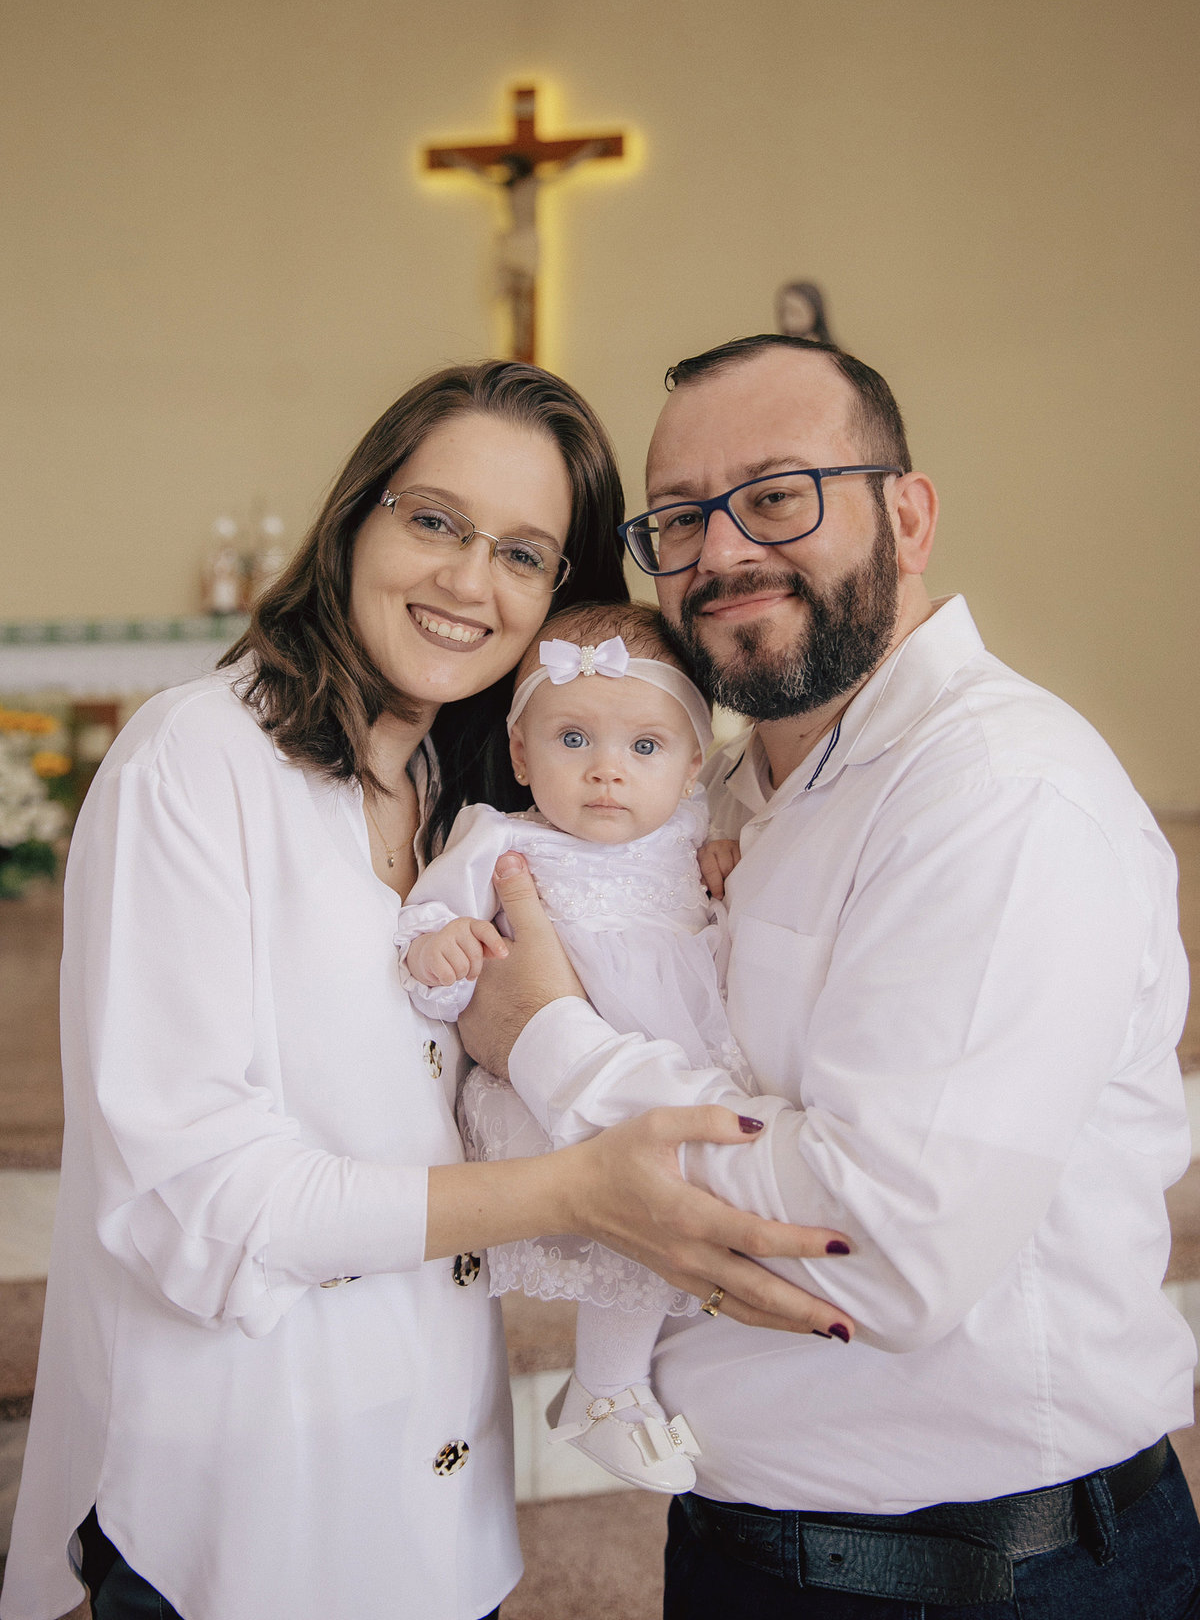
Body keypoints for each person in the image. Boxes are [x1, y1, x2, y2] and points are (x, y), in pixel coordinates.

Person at [0, 360, 854, 1620]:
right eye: (435, 521)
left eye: (524, 553)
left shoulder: (472, 802)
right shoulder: (196, 760)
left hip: (443, 1509)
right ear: (358, 518)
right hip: (248, 1507)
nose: (469, 581)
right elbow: (195, 1197)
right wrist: (568, 1191)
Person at [458, 336, 1200, 1619]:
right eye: (681, 518)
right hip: (752, 1542)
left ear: (906, 516)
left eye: (780, 493)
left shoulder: (997, 796)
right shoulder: (725, 797)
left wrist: (545, 1041)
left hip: (977, 1577)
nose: (725, 550)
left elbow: (879, 1250)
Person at [396, 599, 774, 1497]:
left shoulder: (693, 836)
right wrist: (441, 955)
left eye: (644, 748)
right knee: (629, 1216)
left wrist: (726, 864)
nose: (607, 772)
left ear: (690, 766)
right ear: (522, 753)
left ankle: (609, 1387)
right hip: (543, 1090)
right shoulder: (500, 837)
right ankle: (607, 1390)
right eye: (573, 741)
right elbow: (431, 931)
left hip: (659, 1065)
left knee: (661, 1214)